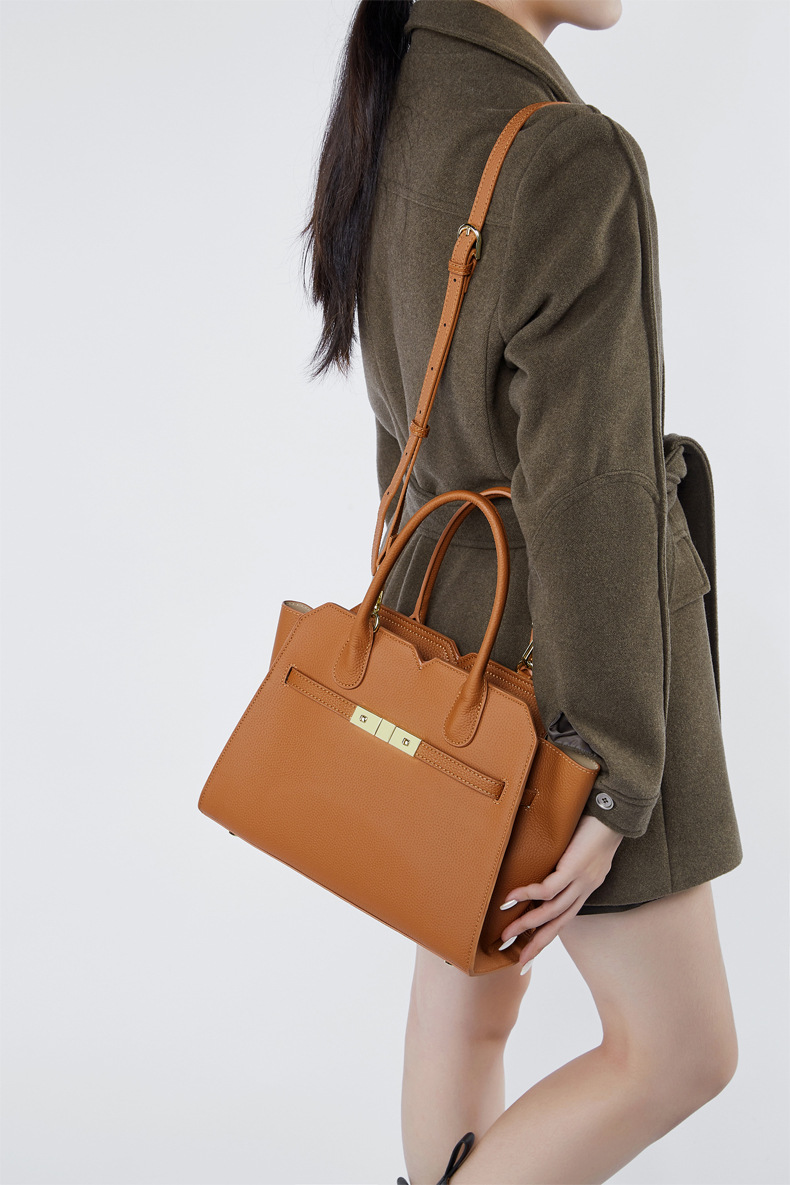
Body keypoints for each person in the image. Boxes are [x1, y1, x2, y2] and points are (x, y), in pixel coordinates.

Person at [299, 2, 744, 1182]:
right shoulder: (564, 154)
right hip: (566, 662)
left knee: (470, 1010)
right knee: (679, 1051)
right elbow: (590, 486)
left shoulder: (396, 93)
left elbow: (405, 425)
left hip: (447, 626)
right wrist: (614, 769)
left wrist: (422, 616)